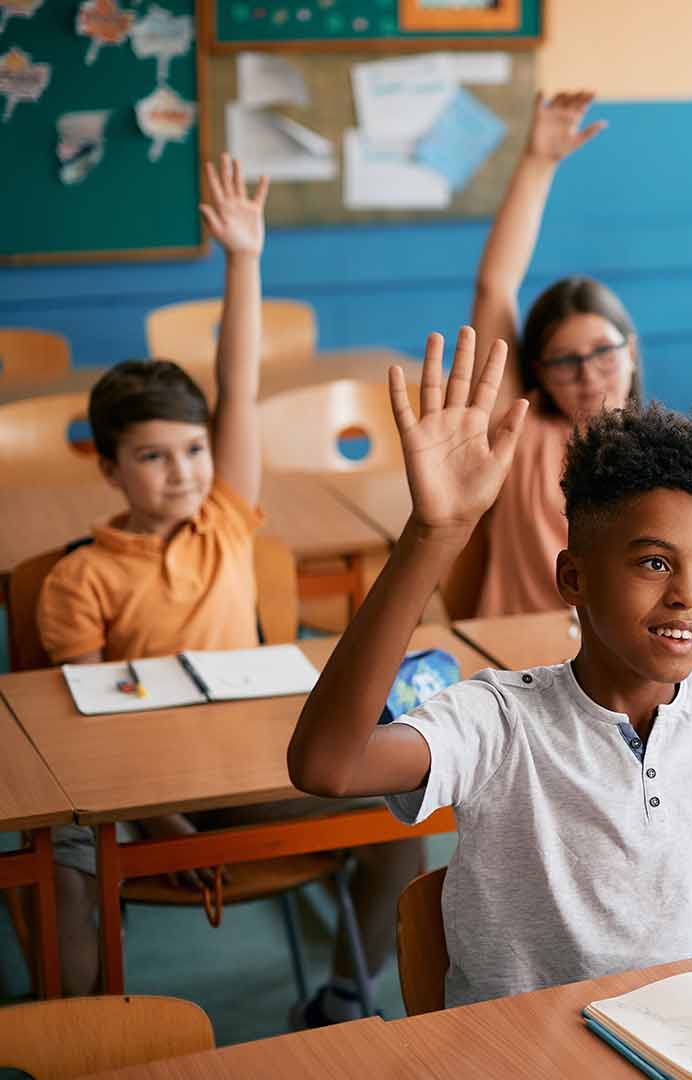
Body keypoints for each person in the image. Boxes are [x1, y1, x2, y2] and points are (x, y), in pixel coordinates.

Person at [287, 327, 692, 1007]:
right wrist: (434, 536)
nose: (688, 595)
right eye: (654, 562)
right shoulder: (499, 722)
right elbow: (327, 765)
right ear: (573, 579)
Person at [37, 156, 421, 1021]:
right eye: (152, 456)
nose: (181, 473)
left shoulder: (224, 519)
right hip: (132, 794)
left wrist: (243, 260)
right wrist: (160, 830)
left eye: (194, 451)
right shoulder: (76, 579)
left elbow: (236, 387)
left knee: (397, 812)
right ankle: (87, 1030)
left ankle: (342, 992)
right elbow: (84, 742)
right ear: (106, 467)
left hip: (246, 767)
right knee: (61, 861)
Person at [457, 90, 692, 617]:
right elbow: (494, 289)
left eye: (603, 354)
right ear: (540, 374)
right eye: (565, 362)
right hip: (521, 660)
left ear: (632, 351)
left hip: (628, 664)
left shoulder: (665, 450)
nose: (589, 376)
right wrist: (538, 164)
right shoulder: (517, 436)